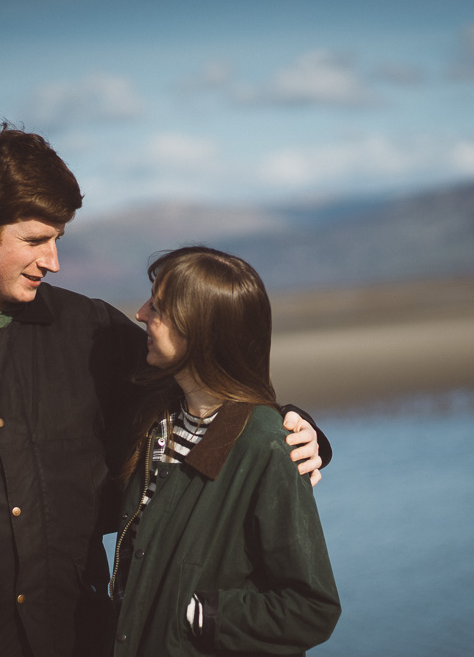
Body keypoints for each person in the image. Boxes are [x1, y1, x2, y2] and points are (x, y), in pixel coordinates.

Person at [0, 123, 329, 657]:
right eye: (35, 240)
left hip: (78, 636)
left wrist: (296, 429)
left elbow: (205, 385)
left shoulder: (93, 330)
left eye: (58, 239)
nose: (53, 261)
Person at [108, 247, 341, 656]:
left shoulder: (267, 445)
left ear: (201, 331)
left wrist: (200, 614)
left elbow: (312, 608)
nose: (141, 313)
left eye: (158, 307)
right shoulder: (155, 420)